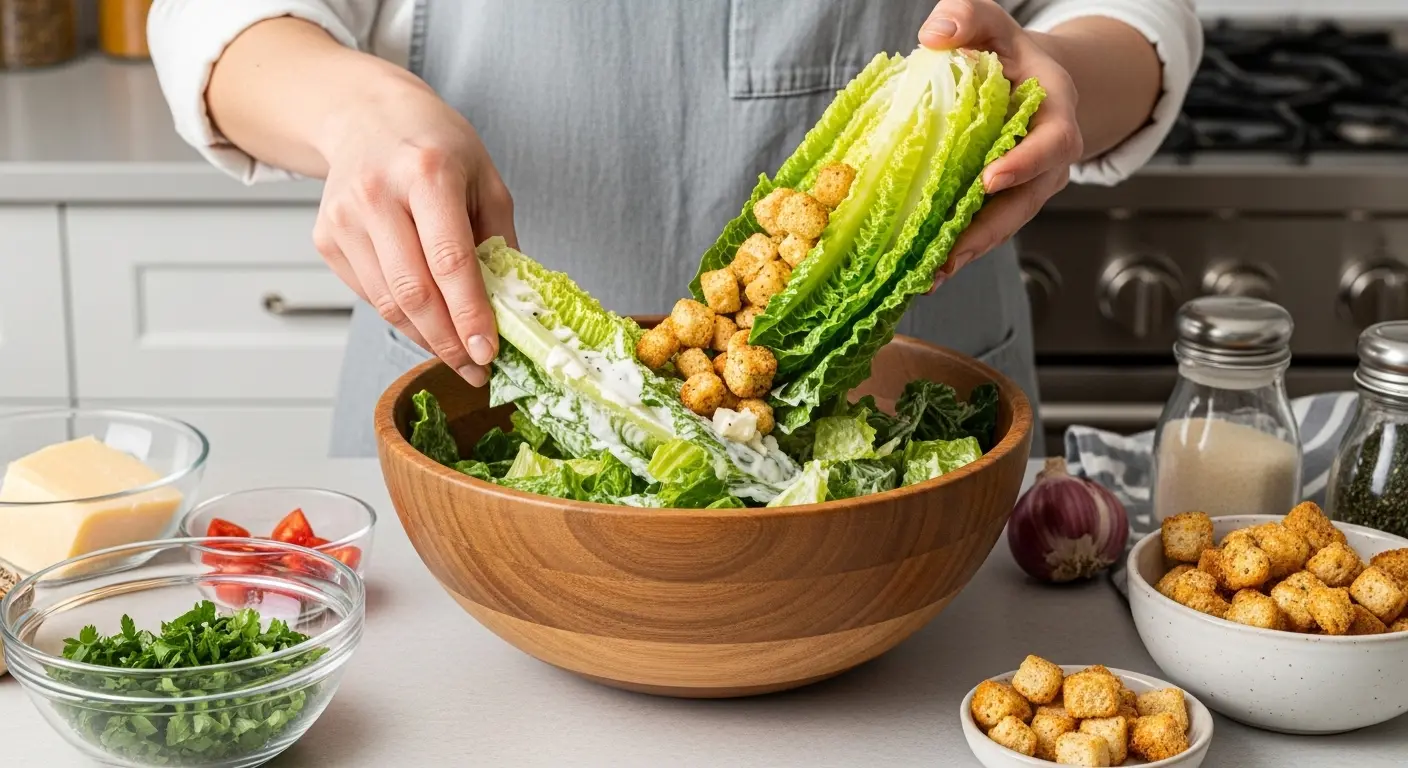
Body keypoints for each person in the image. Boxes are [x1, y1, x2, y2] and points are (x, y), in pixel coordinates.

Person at [149, 0, 1201, 457]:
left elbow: (1136, 16)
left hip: (901, 406)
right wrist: (355, 113)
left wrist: (1056, 80)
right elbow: (217, 19)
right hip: (474, 383)